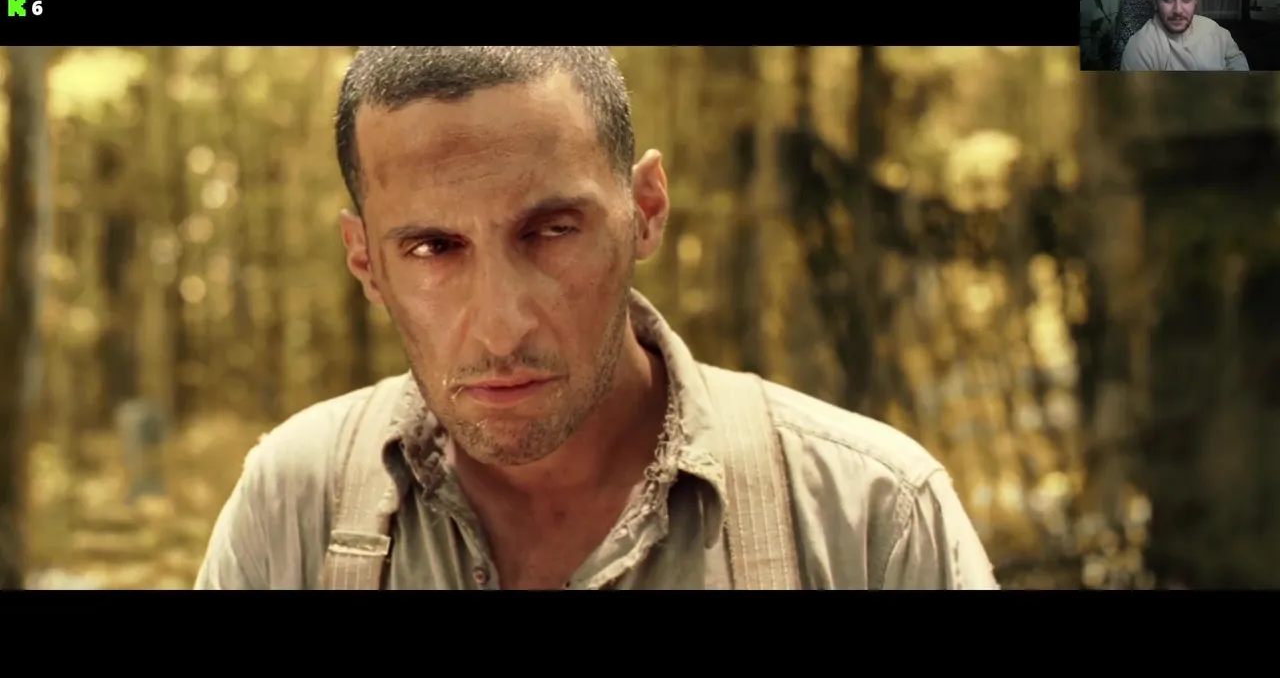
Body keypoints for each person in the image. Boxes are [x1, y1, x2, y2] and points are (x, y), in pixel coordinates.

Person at [194, 46, 999, 590]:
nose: (501, 327)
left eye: (551, 232)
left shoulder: (868, 514)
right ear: (365, 260)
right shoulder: (295, 506)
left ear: (645, 211)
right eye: (434, 248)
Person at [1121, 0, 1250, 71]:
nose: (1178, 10)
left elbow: (1236, 60)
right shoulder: (1140, 48)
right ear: (1155, 3)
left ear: (1196, 1)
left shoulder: (1213, 29)